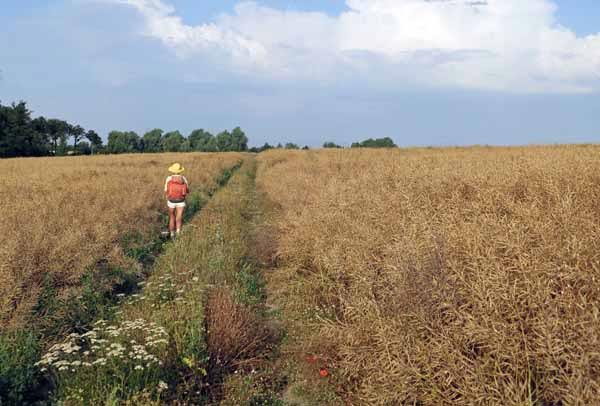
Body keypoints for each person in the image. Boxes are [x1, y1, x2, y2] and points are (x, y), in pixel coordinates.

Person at [165, 163, 189, 238]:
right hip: (181, 201)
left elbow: (166, 190)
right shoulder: (183, 178)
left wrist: (168, 197)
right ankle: (178, 233)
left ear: (172, 170)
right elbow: (187, 190)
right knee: (179, 217)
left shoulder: (168, 178)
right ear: (180, 171)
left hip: (171, 201)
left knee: (172, 216)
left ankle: (172, 234)